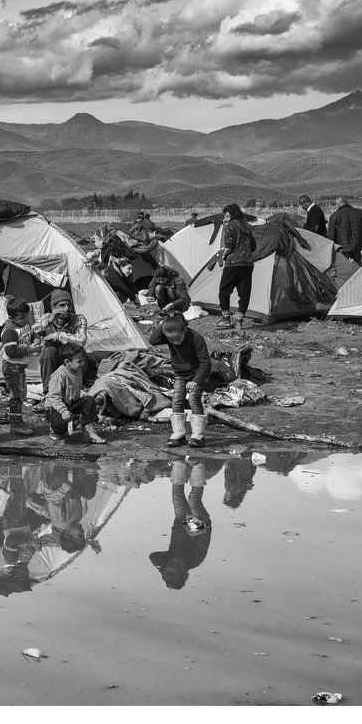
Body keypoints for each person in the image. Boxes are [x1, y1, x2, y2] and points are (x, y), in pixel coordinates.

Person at [148, 311, 212, 448]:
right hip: (180, 374)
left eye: (178, 339)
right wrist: (166, 324)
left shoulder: (196, 339)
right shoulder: (171, 336)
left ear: (185, 329)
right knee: (177, 400)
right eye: (171, 340)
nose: (175, 342)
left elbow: (205, 363)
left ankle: (198, 435)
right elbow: (153, 340)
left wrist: (195, 381)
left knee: (193, 400)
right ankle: (179, 433)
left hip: (197, 373)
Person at [148, 459, 212, 589]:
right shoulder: (195, 560)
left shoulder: (166, 559)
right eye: (178, 565)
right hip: (199, 527)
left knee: (177, 494)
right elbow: (204, 539)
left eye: (171, 564)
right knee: (193, 500)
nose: (175, 561)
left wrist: (161, 567)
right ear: (185, 570)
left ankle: (178, 465)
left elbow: (152, 556)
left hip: (180, 521)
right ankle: (198, 465)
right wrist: (197, 525)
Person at [42, 343, 105, 444]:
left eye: (83, 360)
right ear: (67, 362)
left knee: (89, 400)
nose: (82, 363)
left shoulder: (77, 371)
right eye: (79, 361)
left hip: (69, 404)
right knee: (60, 425)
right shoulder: (60, 374)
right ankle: (55, 429)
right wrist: (63, 411)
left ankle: (88, 432)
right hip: (55, 407)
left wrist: (86, 395)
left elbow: (75, 390)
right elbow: (54, 397)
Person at [0, 297, 39, 437]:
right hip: (12, 367)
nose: (25, 319)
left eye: (27, 316)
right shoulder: (9, 331)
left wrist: (36, 340)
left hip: (20, 367)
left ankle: (18, 420)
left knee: (21, 393)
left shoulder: (24, 326)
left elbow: (31, 335)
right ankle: (15, 424)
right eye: (22, 317)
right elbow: (11, 351)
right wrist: (29, 349)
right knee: (16, 395)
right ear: (11, 316)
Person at [34, 289, 88, 387]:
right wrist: (50, 320)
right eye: (62, 305)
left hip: (72, 359)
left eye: (69, 305)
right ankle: (49, 391)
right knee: (49, 351)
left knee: (80, 354)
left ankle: (75, 386)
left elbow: (81, 341)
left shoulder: (79, 319)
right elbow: (33, 331)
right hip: (54, 360)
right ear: (53, 307)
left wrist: (57, 335)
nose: (67, 308)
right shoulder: (47, 317)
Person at [216, 203, 256, 330]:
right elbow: (253, 246)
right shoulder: (248, 226)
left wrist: (222, 256)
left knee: (224, 290)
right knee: (244, 293)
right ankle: (239, 321)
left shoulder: (230, 225)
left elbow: (229, 245)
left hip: (233, 263)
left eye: (226, 215)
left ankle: (226, 319)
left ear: (230, 214)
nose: (225, 218)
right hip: (248, 264)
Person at [326, 195, 362, 264]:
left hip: (342, 246)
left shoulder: (335, 215)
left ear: (338, 204)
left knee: (346, 266)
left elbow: (331, 233)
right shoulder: (359, 212)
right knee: (357, 265)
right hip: (357, 245)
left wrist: (332, 248)